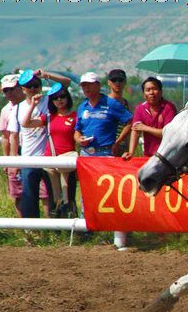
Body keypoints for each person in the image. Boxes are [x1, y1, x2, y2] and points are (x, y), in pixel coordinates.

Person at [8, 69, 71, 218]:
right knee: (29, 197)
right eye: (29, 86)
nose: (33, 89)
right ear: (23, 89)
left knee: (54, 195)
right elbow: (14, 136)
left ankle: (57, 228)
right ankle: (32, 231)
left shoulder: (50, 101)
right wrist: (13, 160)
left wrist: (45, 74)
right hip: (28, 158)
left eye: (36, 85)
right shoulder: (17, 109)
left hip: (49, 157)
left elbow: (66, 83)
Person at [74, 71, 133, 157]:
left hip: (105, 153)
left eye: (89, 84)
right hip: (85, 153)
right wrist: (79, 139)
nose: (86, 88)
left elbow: (130, 121)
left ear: (99, 85)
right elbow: (77, 131)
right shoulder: (82, 107)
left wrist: (118, 141)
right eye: (83, 85)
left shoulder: (111, 103)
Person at [43, 84, 79, 217]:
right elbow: (26, 123)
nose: (59, 100)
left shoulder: (75, 116)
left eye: (62, 96)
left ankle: (71, 228)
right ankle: (56, 231)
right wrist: (33, 104)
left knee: (68, 197)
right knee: (54, 198)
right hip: (50, 161)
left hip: (67, 161)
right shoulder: (48, 117)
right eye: (55, 98)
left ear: (67, 97)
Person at [124, 77, 177, 159]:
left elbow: (167, 133)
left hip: (167, 157)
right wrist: (131, 152)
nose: (151, 92)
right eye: (148, 90)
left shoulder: (169, 108)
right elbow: (135, 130)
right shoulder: (140, 108)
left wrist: (145, 128)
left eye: (154, 89)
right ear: (144, 94)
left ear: (161, 91)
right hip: (147, 156)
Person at [0, 74, 27, 218]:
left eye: (12, 89)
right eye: (6, 90)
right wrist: (7, 160)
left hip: (32, 151)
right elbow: (5, 137)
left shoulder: (31, 105)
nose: (9, 93)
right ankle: (24, 228)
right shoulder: (5, 110)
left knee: (42, 192)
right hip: (15, 153)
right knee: (17, 193)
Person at [106, 68, 132, 155]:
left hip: (123, 148)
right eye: (114, 80)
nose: (117, 83)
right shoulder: (104, 102)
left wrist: (129, 149)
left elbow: (129, 127)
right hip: (107, 146)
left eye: (120, 80)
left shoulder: (126, 103)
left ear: (125, 82)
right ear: (109, 82)